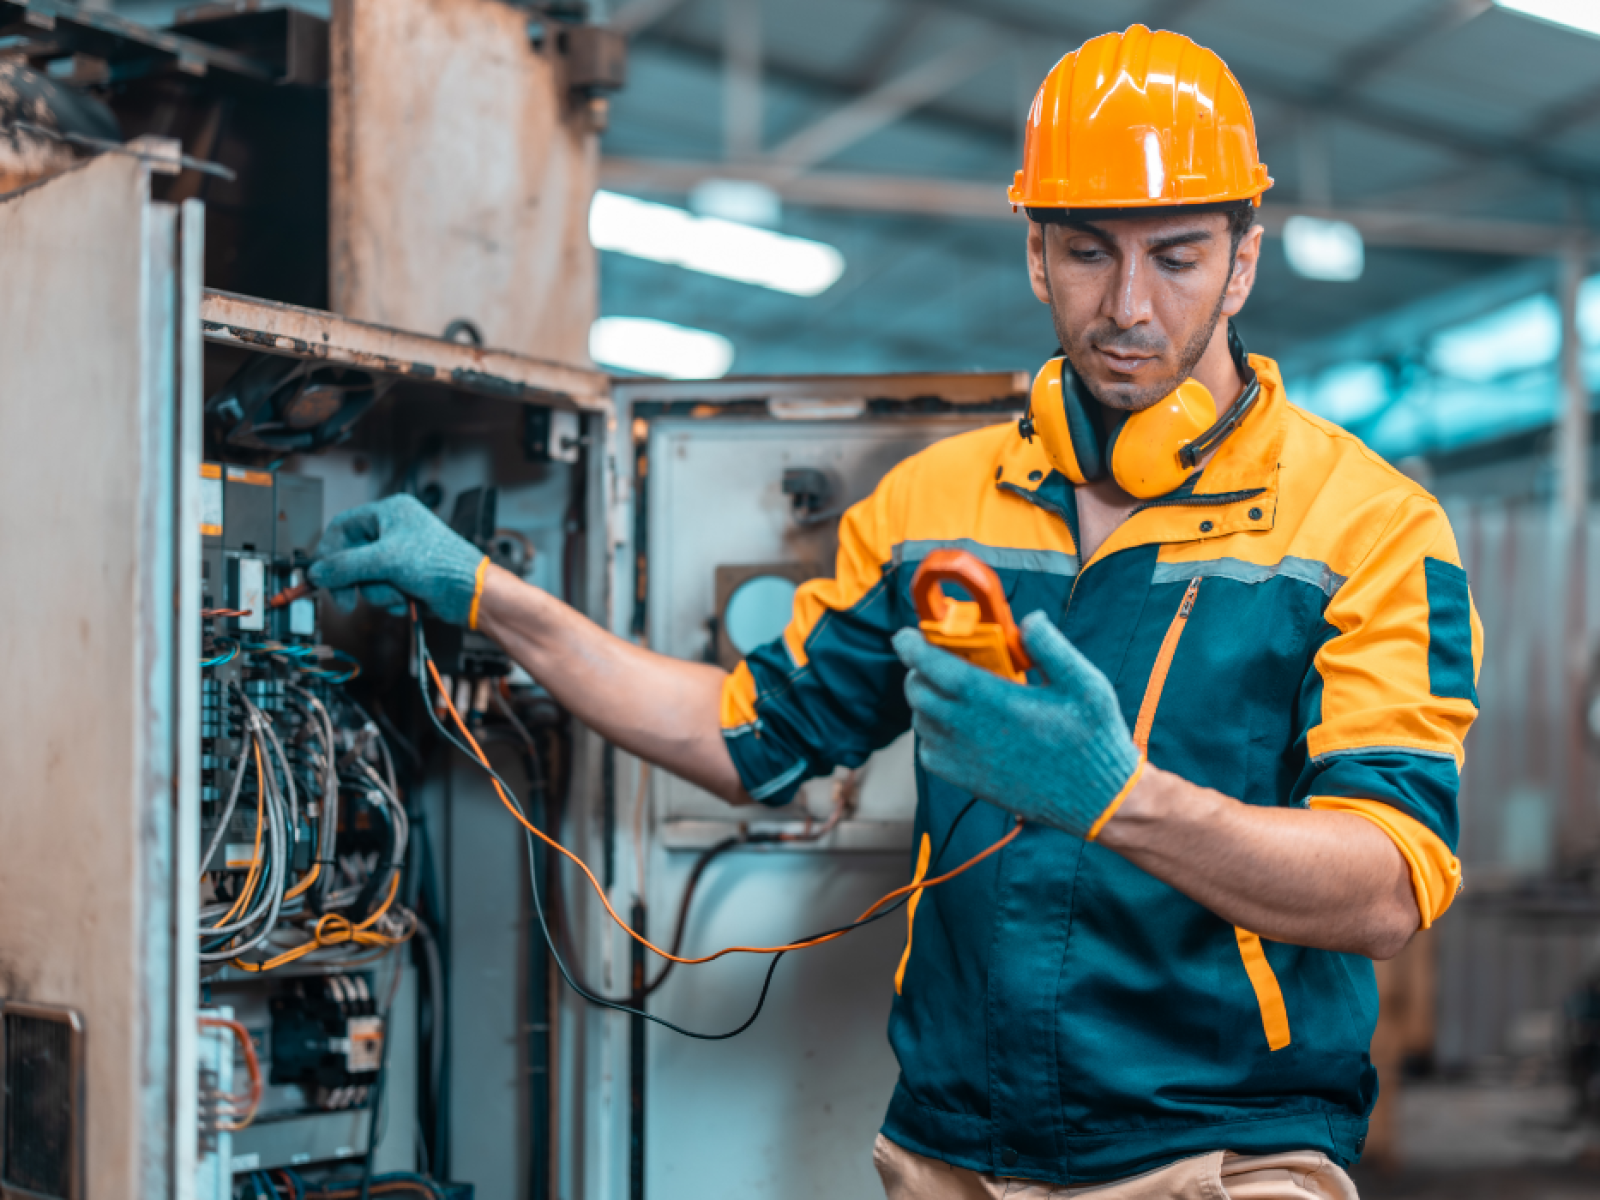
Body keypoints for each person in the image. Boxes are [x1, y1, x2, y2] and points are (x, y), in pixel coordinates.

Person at [311, 25, 1480, 1200]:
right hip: (953, 1154)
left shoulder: (1366, 529)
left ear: (1242, 264)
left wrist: (1125, 805)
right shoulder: (935, 507)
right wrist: (488, 596)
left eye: (1176, 257)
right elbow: (745, 736)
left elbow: (1387, 882)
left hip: (1224, 1158)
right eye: (1086, 253)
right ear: (1035, 255)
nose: (1128, 305)